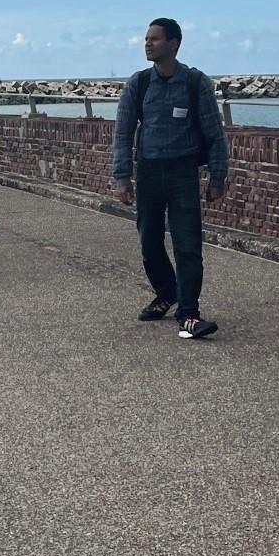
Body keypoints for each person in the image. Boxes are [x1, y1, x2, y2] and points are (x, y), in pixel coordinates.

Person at [110, 17, 229, 340]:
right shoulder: (139, 83)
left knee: (188, 245)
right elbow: (122, 133)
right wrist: (122, 177)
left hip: (182, 174)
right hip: (148, 172)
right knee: (149, 243)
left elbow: (214, 133)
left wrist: (218, 176)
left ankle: (189, 314)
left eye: (155, 39)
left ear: (174, 43)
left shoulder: (194, 82)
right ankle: (168, 291)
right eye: (146, 39)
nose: (147, 44)